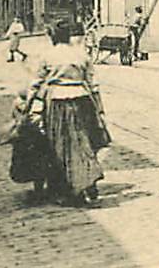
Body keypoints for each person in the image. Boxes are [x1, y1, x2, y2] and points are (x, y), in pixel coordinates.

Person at [28, 21, 107, 206]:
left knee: (61, 145)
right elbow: (93, 84)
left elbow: (36, 83)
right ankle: (88, 180)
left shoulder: (47, 56)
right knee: (83, 141)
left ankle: (69, 189)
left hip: (58, 103)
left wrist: (29, 104)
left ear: (54, 36)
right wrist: (100, 109)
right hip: (82, 101)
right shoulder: (81, 54)